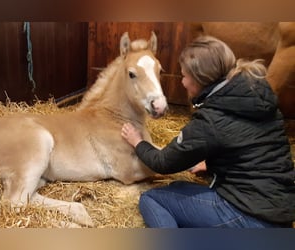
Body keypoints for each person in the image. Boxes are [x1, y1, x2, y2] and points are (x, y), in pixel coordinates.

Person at [121, 35, 295, 228]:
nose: (183, 82)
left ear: (199, 79)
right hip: (282, 216)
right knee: (177, 188)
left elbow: (163, 162)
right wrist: (213, 165)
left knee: (152, 199)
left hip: (246, 218)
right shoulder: (260, 100)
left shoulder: (211, 119)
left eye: (185, 76)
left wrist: (137, 142)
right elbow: (248, 147)